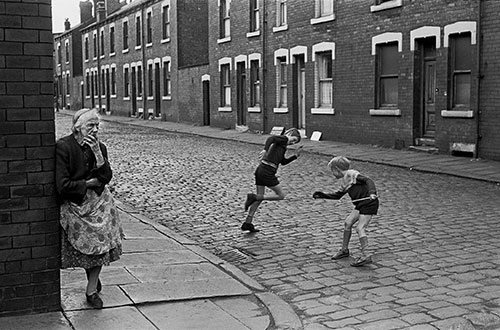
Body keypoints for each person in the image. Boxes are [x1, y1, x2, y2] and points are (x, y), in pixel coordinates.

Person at [55, 108, 123, 308]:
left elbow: (106, 177)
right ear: (77, 128)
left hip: (100, 204)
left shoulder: (99, 147)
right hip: (76, 204)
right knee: (88, 250)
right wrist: (89, 183)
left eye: (97, 125)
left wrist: (97, 155)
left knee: (100, 246)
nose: (94, 129)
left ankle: (91, 290)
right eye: (90, 126)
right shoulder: (63, 147)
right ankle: (93, 274)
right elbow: (62, 185)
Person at [312, 156, 378, 267]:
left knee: (360, 228)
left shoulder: (351, 174)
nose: (333, 174)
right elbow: (338, 196)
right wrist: (322, 195)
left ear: (336, 169)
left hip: (368, 203)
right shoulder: (344, 181)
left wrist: (372, 192)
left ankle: (366, 255)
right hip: (360, 204)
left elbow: (368, 180)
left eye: (332, 171)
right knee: (348, 223)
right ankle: (344, 250)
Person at [243, 128, 303, 232]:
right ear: (289, 134)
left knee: (260, 198)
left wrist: (295, 156)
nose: (293, 142)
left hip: (261, 170)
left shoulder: (282, 145)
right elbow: (271, 138)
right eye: (294, 138)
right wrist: (265, 149)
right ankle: (253, 197)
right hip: (268, 171)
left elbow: (283, 162)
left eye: (295, 142)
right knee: (281, 195)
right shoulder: (284, 139)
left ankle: (248, 222)